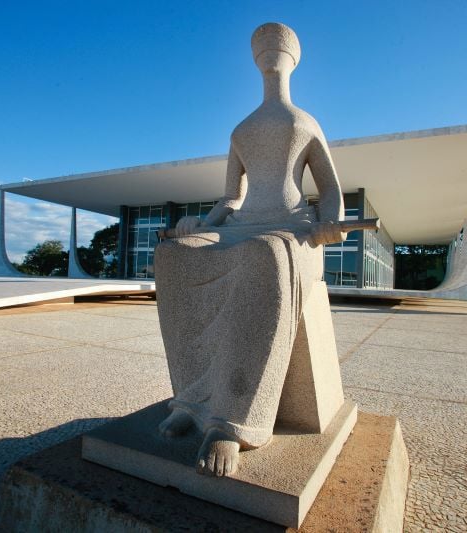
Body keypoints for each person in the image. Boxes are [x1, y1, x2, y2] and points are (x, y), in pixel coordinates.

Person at [154, 22, 346, 477]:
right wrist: (200, 226)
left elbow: (331, 190)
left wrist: (330, 223)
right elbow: (230, 199)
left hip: (292, 231)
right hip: (241, 225)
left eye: (276, 47)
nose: (268, 53)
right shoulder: (242, 130)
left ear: (292, 57)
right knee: (173, 257)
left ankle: (232, 421)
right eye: (260, 47)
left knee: (264, 257)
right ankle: (191, 400)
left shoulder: (304, 122)